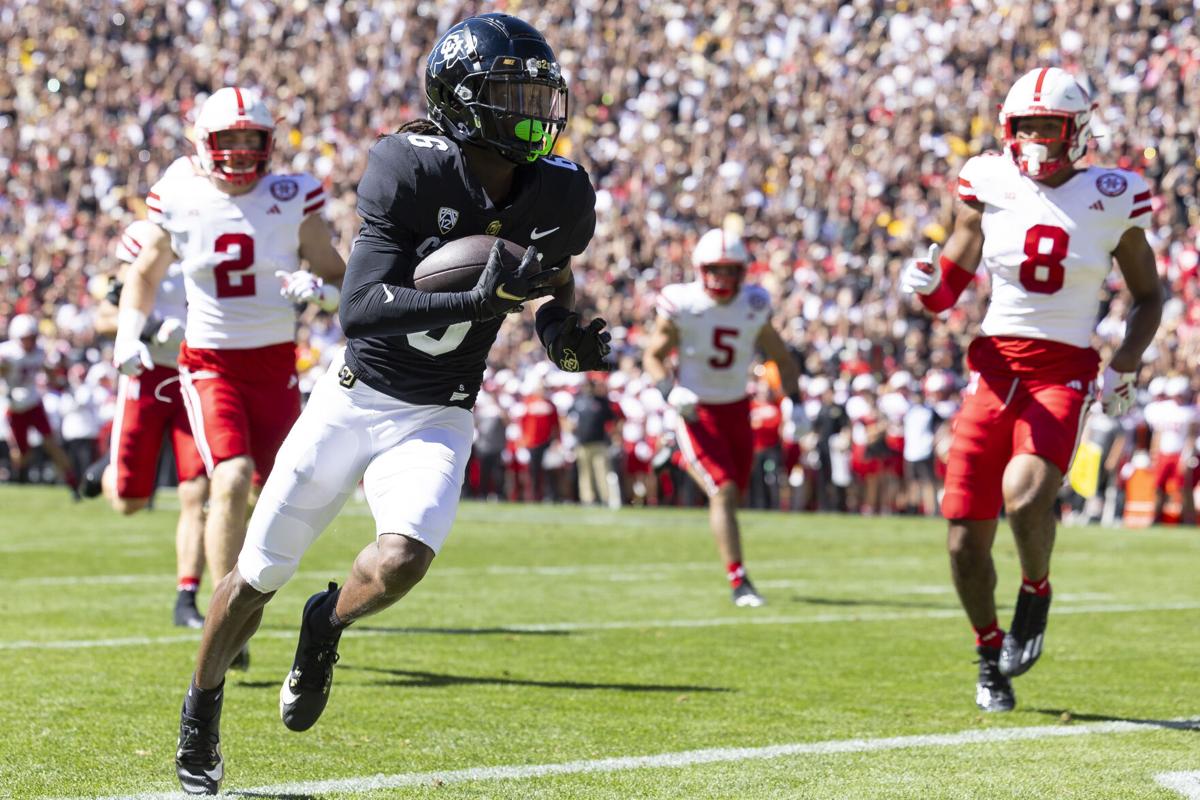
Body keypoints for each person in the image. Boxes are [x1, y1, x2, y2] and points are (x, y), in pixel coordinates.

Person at [172, 15, 611, 795]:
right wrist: (483, 293)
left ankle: (326, 624)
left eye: (539, 92)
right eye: (513, 92)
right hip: (356, 396)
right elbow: (361, 306)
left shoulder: (563, 188)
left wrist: (561, 333)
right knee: (254, 575)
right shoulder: (408, 165)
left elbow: (551, 281)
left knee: (405, 557)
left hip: (440, 407)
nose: (534, 110)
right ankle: (200, 710)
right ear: (462, 100)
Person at [900, 67, 1163, 712]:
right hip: (991, 366)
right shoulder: (986, 180)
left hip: (1063, 368)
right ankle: (989, 655)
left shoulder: (1113, 194)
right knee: (963, 539)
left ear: (1077, 130)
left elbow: (1150, 295)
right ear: (1008, 129)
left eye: (1050, 125)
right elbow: (949, 288)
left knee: (1024, 498)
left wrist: (1126, 361)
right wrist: (926, 282)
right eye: (1027, 126)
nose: (1038, 138)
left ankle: (1035, 589)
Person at [115, 86, 346, 663]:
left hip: (273, 363)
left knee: (282, 489)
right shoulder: (180, 194)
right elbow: (145, 271)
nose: (241, 152)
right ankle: (226, 621)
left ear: (269, 144)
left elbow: (341, 280)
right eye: (229, 140)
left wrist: (318, 292)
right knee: (232, 475)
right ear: (204, 144)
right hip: (209, 360)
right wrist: (129, 330)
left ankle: (243, 601)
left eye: (252, 140)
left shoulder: (293, 195)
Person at [643, 226, 802, 607]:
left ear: (743, 271)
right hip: (696, 409)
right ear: (700, 269)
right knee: (724, 489)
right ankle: (739, 580)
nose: (722, 278)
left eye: (730, 270)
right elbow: (652, 355)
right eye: (715, 269)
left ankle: (679, 457)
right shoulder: (683, 303)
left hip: (737, 408)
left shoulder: (753, 305)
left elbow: (779, 357)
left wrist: (796, 401)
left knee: (736, 490)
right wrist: (670, 390)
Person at [91, 220, 211, 627]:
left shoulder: (216, 228)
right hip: (147, 376)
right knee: (130, 502)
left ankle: (187, 597)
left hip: (195, 376)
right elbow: (106, 315)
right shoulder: (144, 237)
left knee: (197, 491)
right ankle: (108, 473)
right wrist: (150, 329)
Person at [0, 314, 80, 497]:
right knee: (21, 452)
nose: (29, 342)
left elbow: (48, 371)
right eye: (25, 338)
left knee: (51, 443)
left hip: (34, 403)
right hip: (14, 406)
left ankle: (72, 482)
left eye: (32, 337)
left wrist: (57, 380)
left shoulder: (39, 351)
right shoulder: (7, 353)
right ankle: (19, 477)